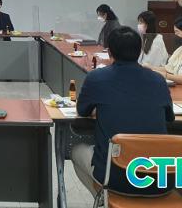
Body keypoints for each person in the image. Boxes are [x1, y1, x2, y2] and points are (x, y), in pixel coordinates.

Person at [71, 26, 175, 197]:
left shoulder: (97, 77)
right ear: (140, 51)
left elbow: (82, 110)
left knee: (76, 151)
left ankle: (104, 199)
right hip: (159, 179)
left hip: (115, 178)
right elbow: (169, 117)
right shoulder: (158, 80)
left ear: (109, 52)